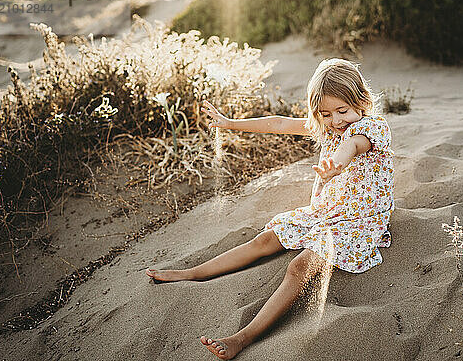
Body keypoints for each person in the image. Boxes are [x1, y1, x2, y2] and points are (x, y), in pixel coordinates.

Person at [145, 58, 395, 360]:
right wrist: (229, 123)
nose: (336, 120)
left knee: (299, 267)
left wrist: (335, 165)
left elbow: (352, 146)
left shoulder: (371, 127)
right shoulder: (328, 128)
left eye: (342, 111)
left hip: (359, 223)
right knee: (265, 240)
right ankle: (193, 273)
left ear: (361, 100)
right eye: (326, 114)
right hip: (327, 213)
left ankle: (242, 337)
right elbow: (278, 123)